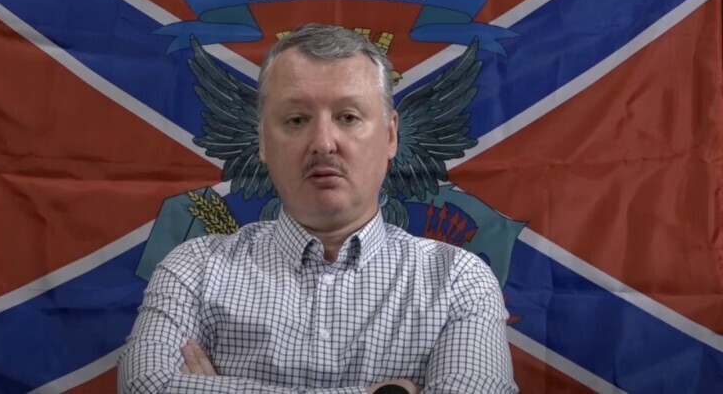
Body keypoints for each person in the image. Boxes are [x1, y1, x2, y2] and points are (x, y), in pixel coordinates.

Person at [118, 24, 517, 393]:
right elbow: (146, 386)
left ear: (391, 136)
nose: (324, 143)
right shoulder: (194, 270)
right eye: (296, 120)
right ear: (263, 140)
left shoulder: (458, 281)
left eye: (348, 117)